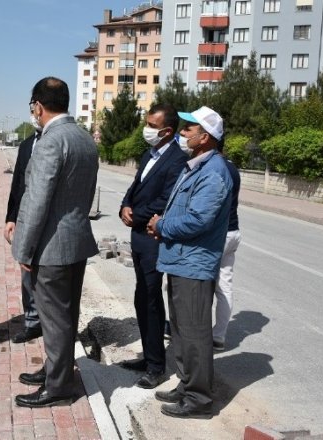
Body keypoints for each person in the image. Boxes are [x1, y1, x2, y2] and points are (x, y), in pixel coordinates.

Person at [11, 77, 99, 408]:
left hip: (51, 247)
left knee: (54, 318)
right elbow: (86, 194)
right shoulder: (84, 139)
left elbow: (36, 200)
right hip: (75, 241)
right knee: (66, 316)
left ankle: (59, 386)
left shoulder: (50, 141)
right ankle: (55, 369)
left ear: (37, 105)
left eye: (32, 106)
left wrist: (23, 248)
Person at [146, 106, 233, 419]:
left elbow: (199, 220)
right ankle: (187, 385)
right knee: (181, 331)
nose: (182, 133)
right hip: (181, 261)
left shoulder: (214, 172)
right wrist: (163, 221)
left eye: (188, 129)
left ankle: (198, 399)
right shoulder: (196, 165)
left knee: (195, 334)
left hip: (195, 264)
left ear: (205, 137)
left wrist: (161, 226)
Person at [117, 104, 188, 389]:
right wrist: (124, 206)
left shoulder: (176, 159)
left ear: (167, 131)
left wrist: (138, 214)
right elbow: (135, 187)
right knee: (141, 298)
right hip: (137, 236)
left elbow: (166, 201)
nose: (146, 129)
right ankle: (148, 356)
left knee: (151, 298)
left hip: (152, 238)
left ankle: (157, 366)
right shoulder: (149, 154)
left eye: (151, 125)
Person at [4, 128, 43, 344]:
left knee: (47, 276)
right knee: (26, 273)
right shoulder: (27, 144)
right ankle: (32, 322)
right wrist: (11, 217)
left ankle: (49, 324)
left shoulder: (57, 140)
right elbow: (18, 183)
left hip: (49, 222)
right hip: (25, 219)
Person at [213, 138, 241, 352]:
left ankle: (195, 333)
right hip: (233, 232)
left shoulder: (217, 168)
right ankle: (219, 336)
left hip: (219, 235)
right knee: (224, 286)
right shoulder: (232, 168)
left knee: (200, 286)